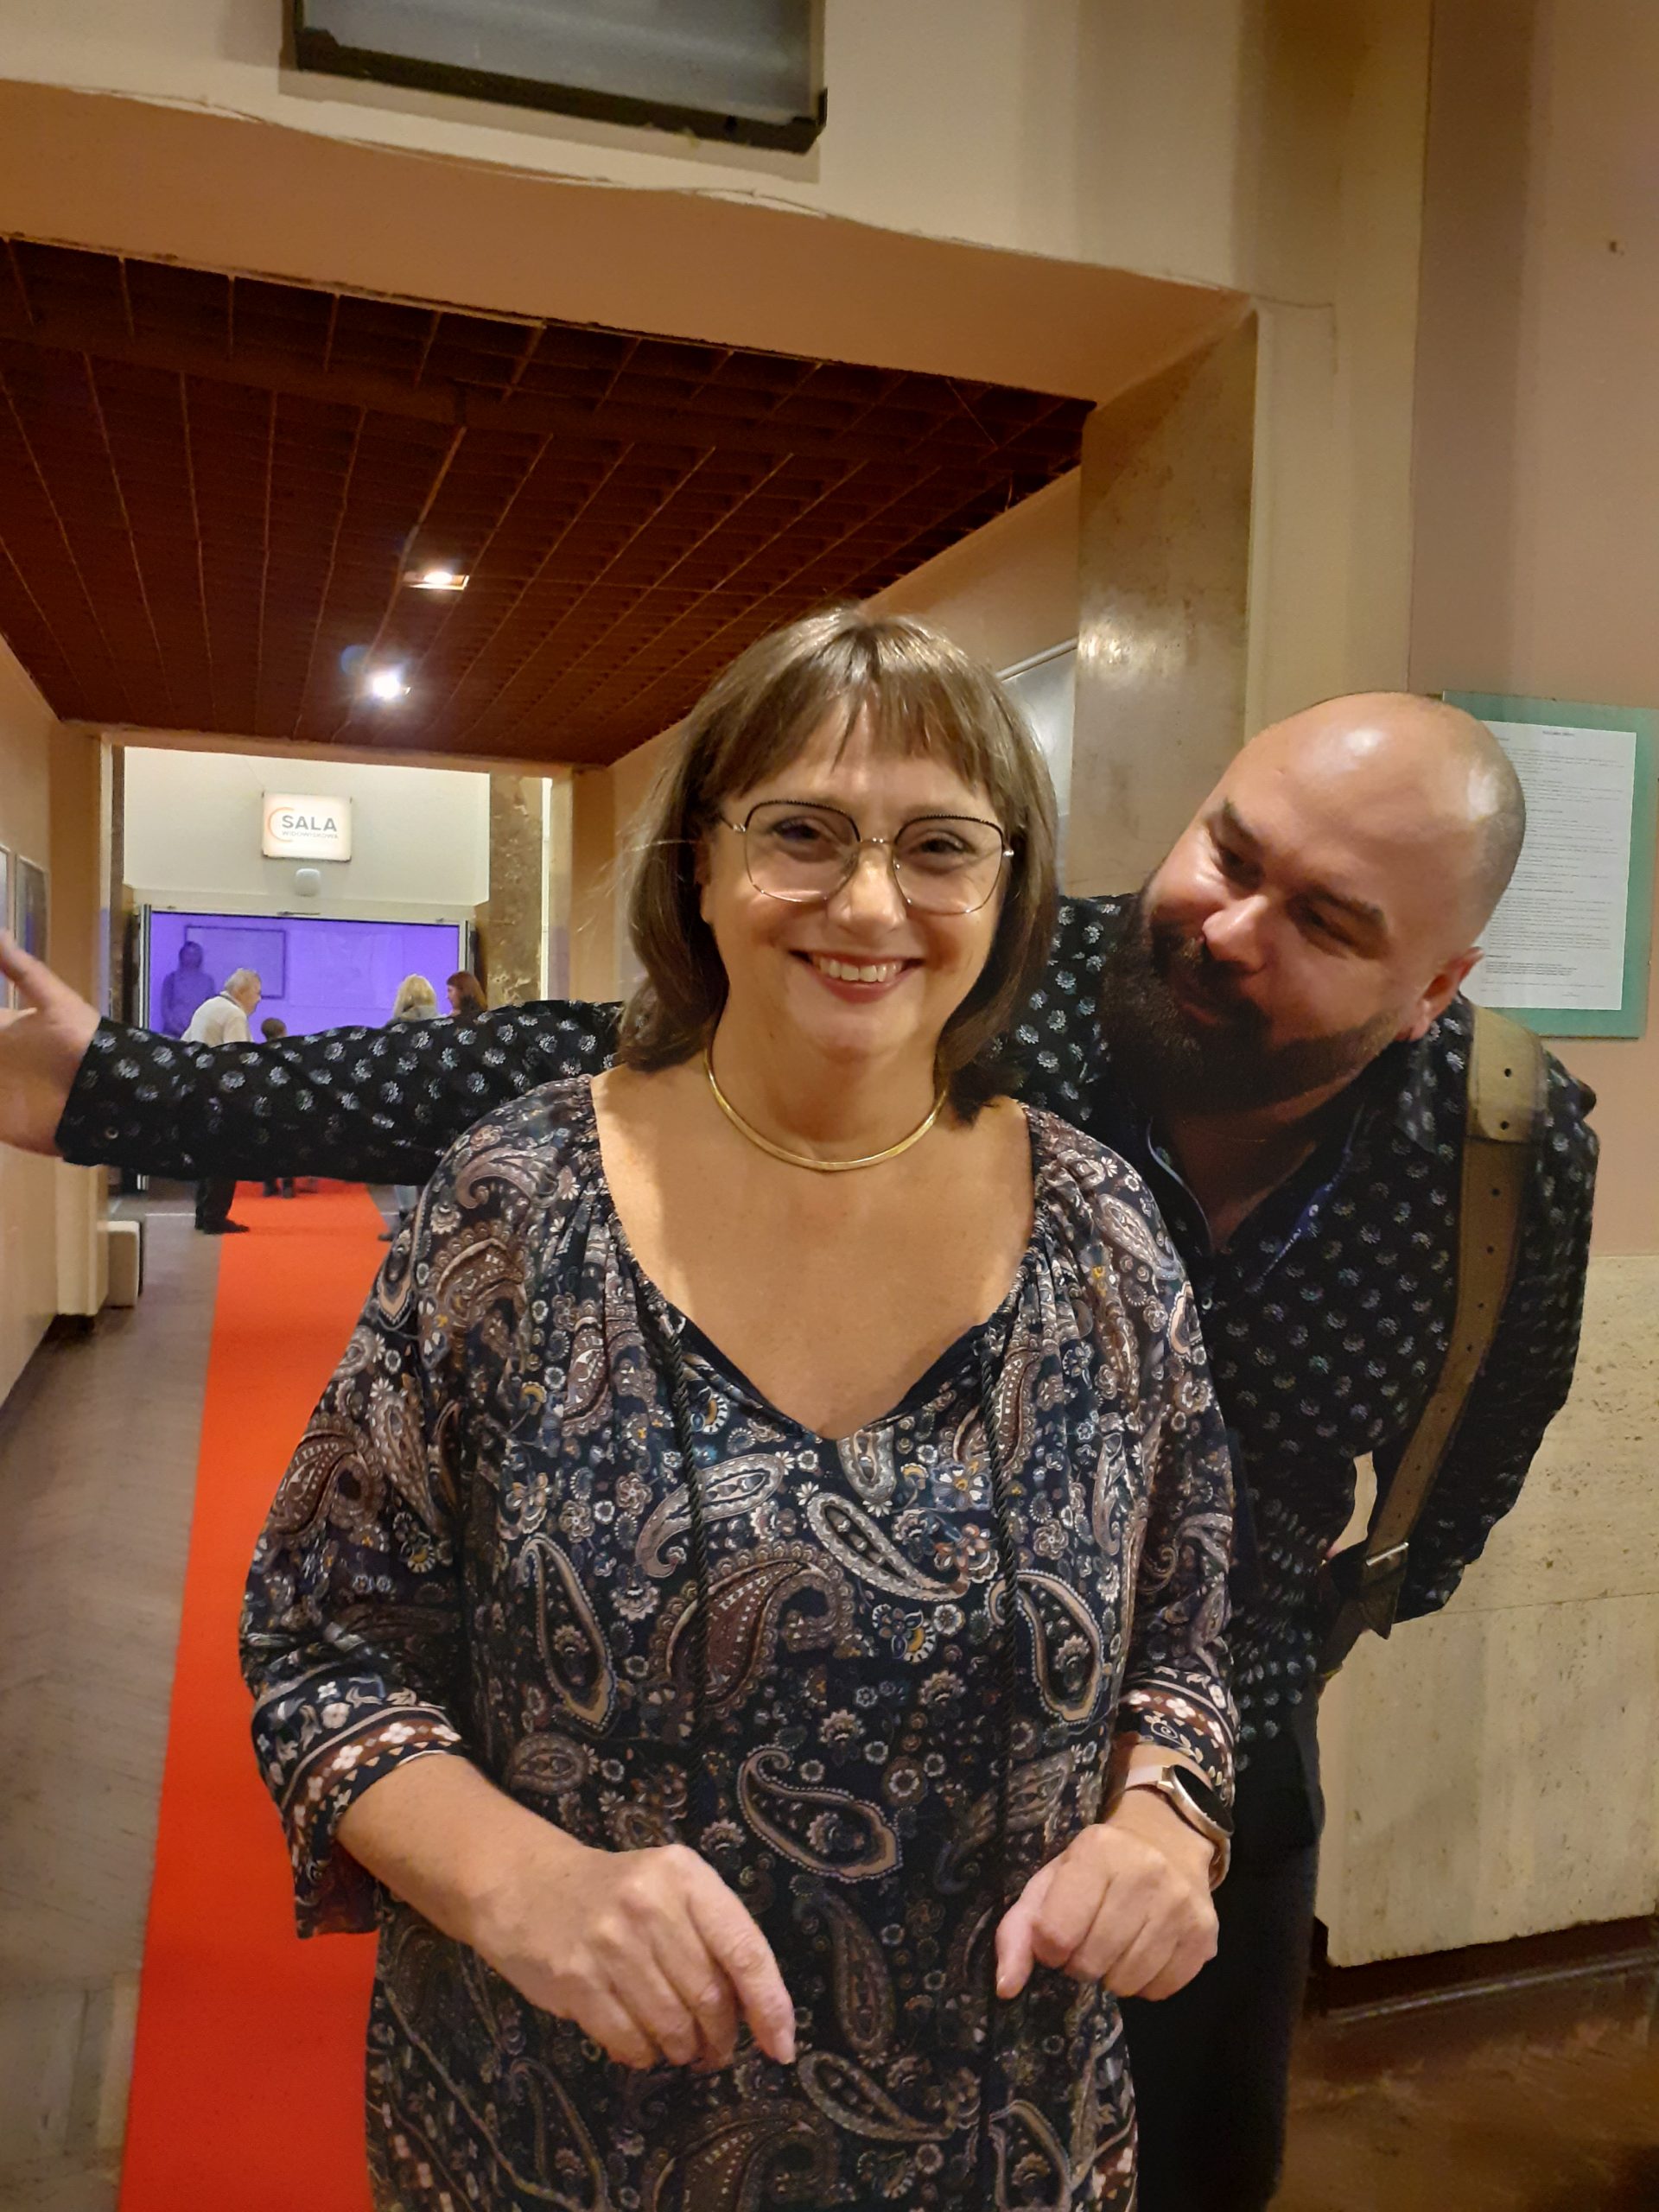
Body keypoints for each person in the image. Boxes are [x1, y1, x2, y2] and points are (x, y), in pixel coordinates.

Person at [0, 688, 1597, 2211]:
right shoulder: (1008, 981)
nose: (1231, 928)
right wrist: (126, 1089)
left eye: (1326, 923)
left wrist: (1241, 1707)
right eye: (1227, 852)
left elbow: (1487, 1438)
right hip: (733, 1795)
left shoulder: (1499, 1148)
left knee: (1195, 2161)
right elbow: (572, 1064)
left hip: (1200, 1740)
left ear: (1433, 988)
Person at [239, 611, 1236, 2210]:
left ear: (1008, 891)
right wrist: (520, 1887)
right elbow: (321, 1646)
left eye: (938, 847)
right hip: (563, 2129)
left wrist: (1164, 1827)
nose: (871, 903)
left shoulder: (1103, 1231)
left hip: (1002, 2137)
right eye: (804, 833)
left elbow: (1187, 1641)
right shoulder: (520, 1202)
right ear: (701, 864)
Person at [181, 968, 261, 1234]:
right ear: (242, 992)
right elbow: (236, 1057)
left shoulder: (207, 1007)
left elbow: (185, 1042)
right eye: (257, 993)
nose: (259, 999)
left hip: (200, 1089)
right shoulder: (234, 1014)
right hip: (221, 1095)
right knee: (226, 1157)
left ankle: (203, 1214)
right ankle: (216, 1217)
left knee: (206, 1156)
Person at [383, 974, 440, 1239]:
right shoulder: (444, 1027)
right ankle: (430, 1219)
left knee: (402, 1159)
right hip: (436, 1102)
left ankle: (405, 1218)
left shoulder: (395, 1029)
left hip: (404, 1100)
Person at [259, 1017, 296, 1199]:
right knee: (288, 1144)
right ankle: (288, 1185)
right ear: (283, 1032)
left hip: (264, 1104)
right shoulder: (290, 1053)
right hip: (286, 1103)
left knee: (267, 1144)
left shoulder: (258, 1053)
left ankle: (269, 1184)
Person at [157, 938, 217, 1039]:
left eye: (195, 954)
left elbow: (211, 1008)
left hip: (198, 1034)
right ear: (181, 955)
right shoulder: (172, 979)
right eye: (188, 954)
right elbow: (165, 1009)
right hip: (173, 1034)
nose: (191, 957)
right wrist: (178, 1029)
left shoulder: (208, 981)